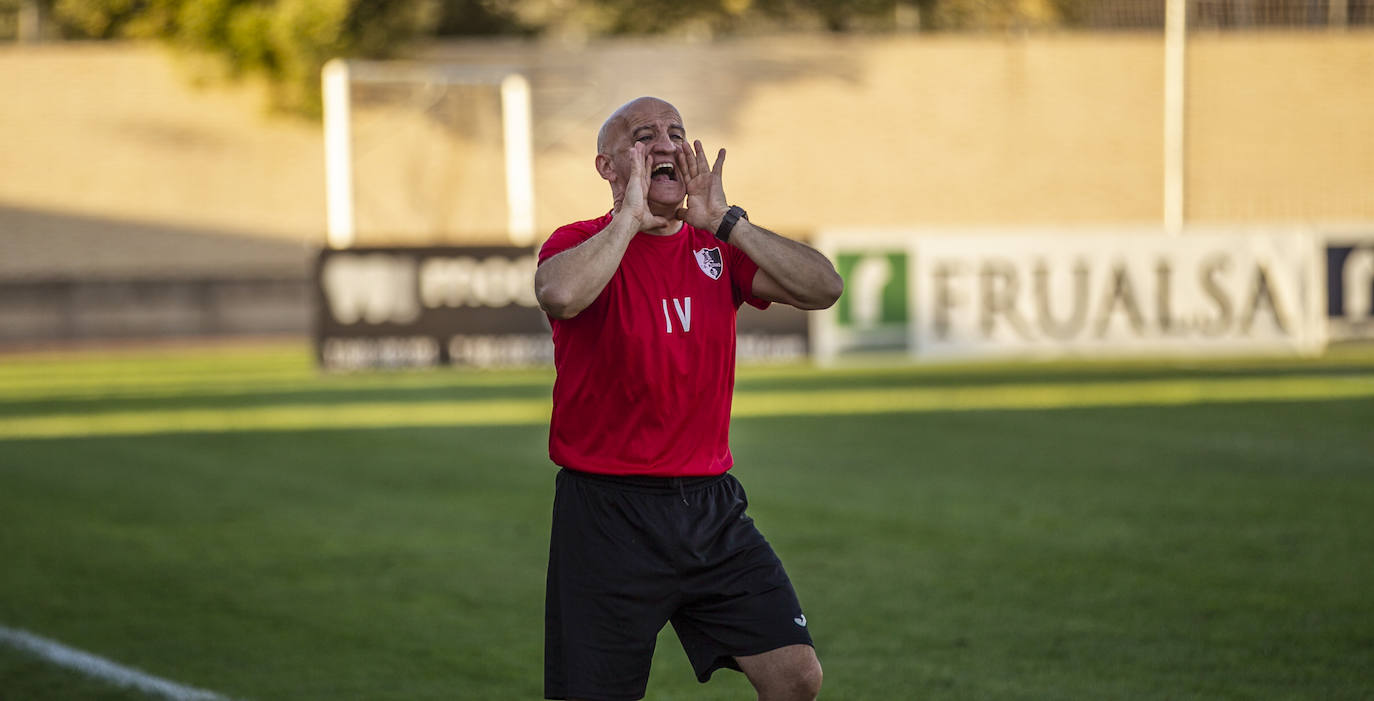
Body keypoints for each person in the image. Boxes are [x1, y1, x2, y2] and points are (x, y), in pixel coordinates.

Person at [534, 96, 844, 701]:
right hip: (607, 513)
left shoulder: (717, 248)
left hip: (710, 508)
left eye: (676, 133)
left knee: (795, 677)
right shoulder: (580, 242)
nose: (667, 144)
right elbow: (560, 296)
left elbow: (824, 288)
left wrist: (728, 222)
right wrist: (628, 220)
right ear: (607, 165)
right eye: (643, 136)